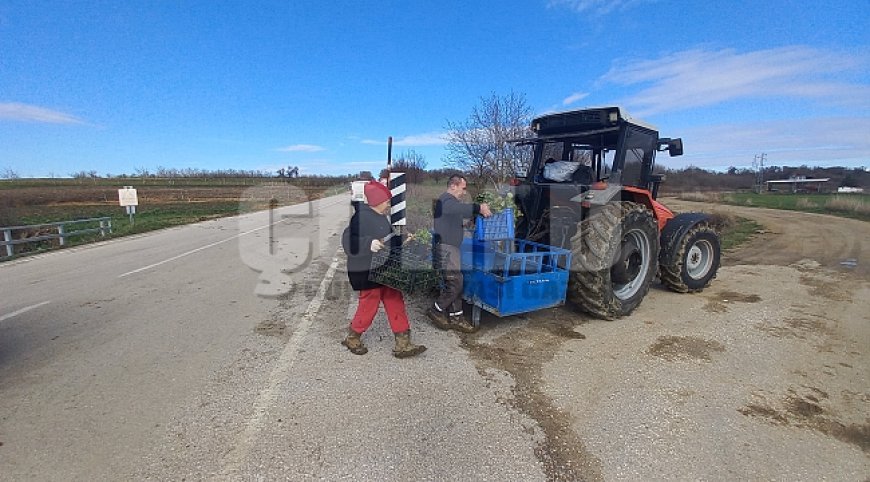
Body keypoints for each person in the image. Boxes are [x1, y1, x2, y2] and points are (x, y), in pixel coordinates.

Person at [342, 180, 426, 358]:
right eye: (387, 201)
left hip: (384, 270)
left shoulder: (381, 218)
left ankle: (403, 343)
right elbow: (348, 240)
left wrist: (402, 239)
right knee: (369, 304)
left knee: (395, 299)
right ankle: (353, 337)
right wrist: (368, 243)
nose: (389, 205)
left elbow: (388, 240)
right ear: (376, 201)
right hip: (366, 272)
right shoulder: (360, 218)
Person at [428, 175, 492, 333]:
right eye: (463, 188)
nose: (464, 192)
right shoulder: (446, 200)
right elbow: (457, 209)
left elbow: (459, 214)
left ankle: (457, 317)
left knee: (455, 282)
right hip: (447, 248)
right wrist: (478, 207)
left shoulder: (450, 203)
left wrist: (472, 219)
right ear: (453, 186)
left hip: (452, 248)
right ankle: (436, 309)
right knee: (456, 282)